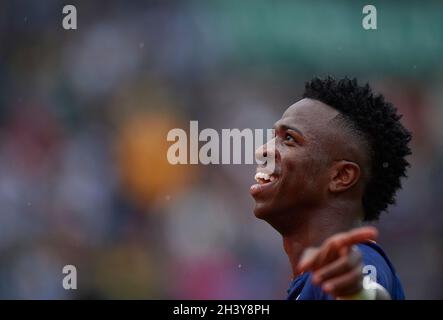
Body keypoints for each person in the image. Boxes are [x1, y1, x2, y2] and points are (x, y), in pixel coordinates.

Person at [250, 77, 411, 300]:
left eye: (288, 139)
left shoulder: (358, 262)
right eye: (273, 137)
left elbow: (369, 291)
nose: (262, 151)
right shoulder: (310, 284)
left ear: (340, 176)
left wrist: (356, 294)